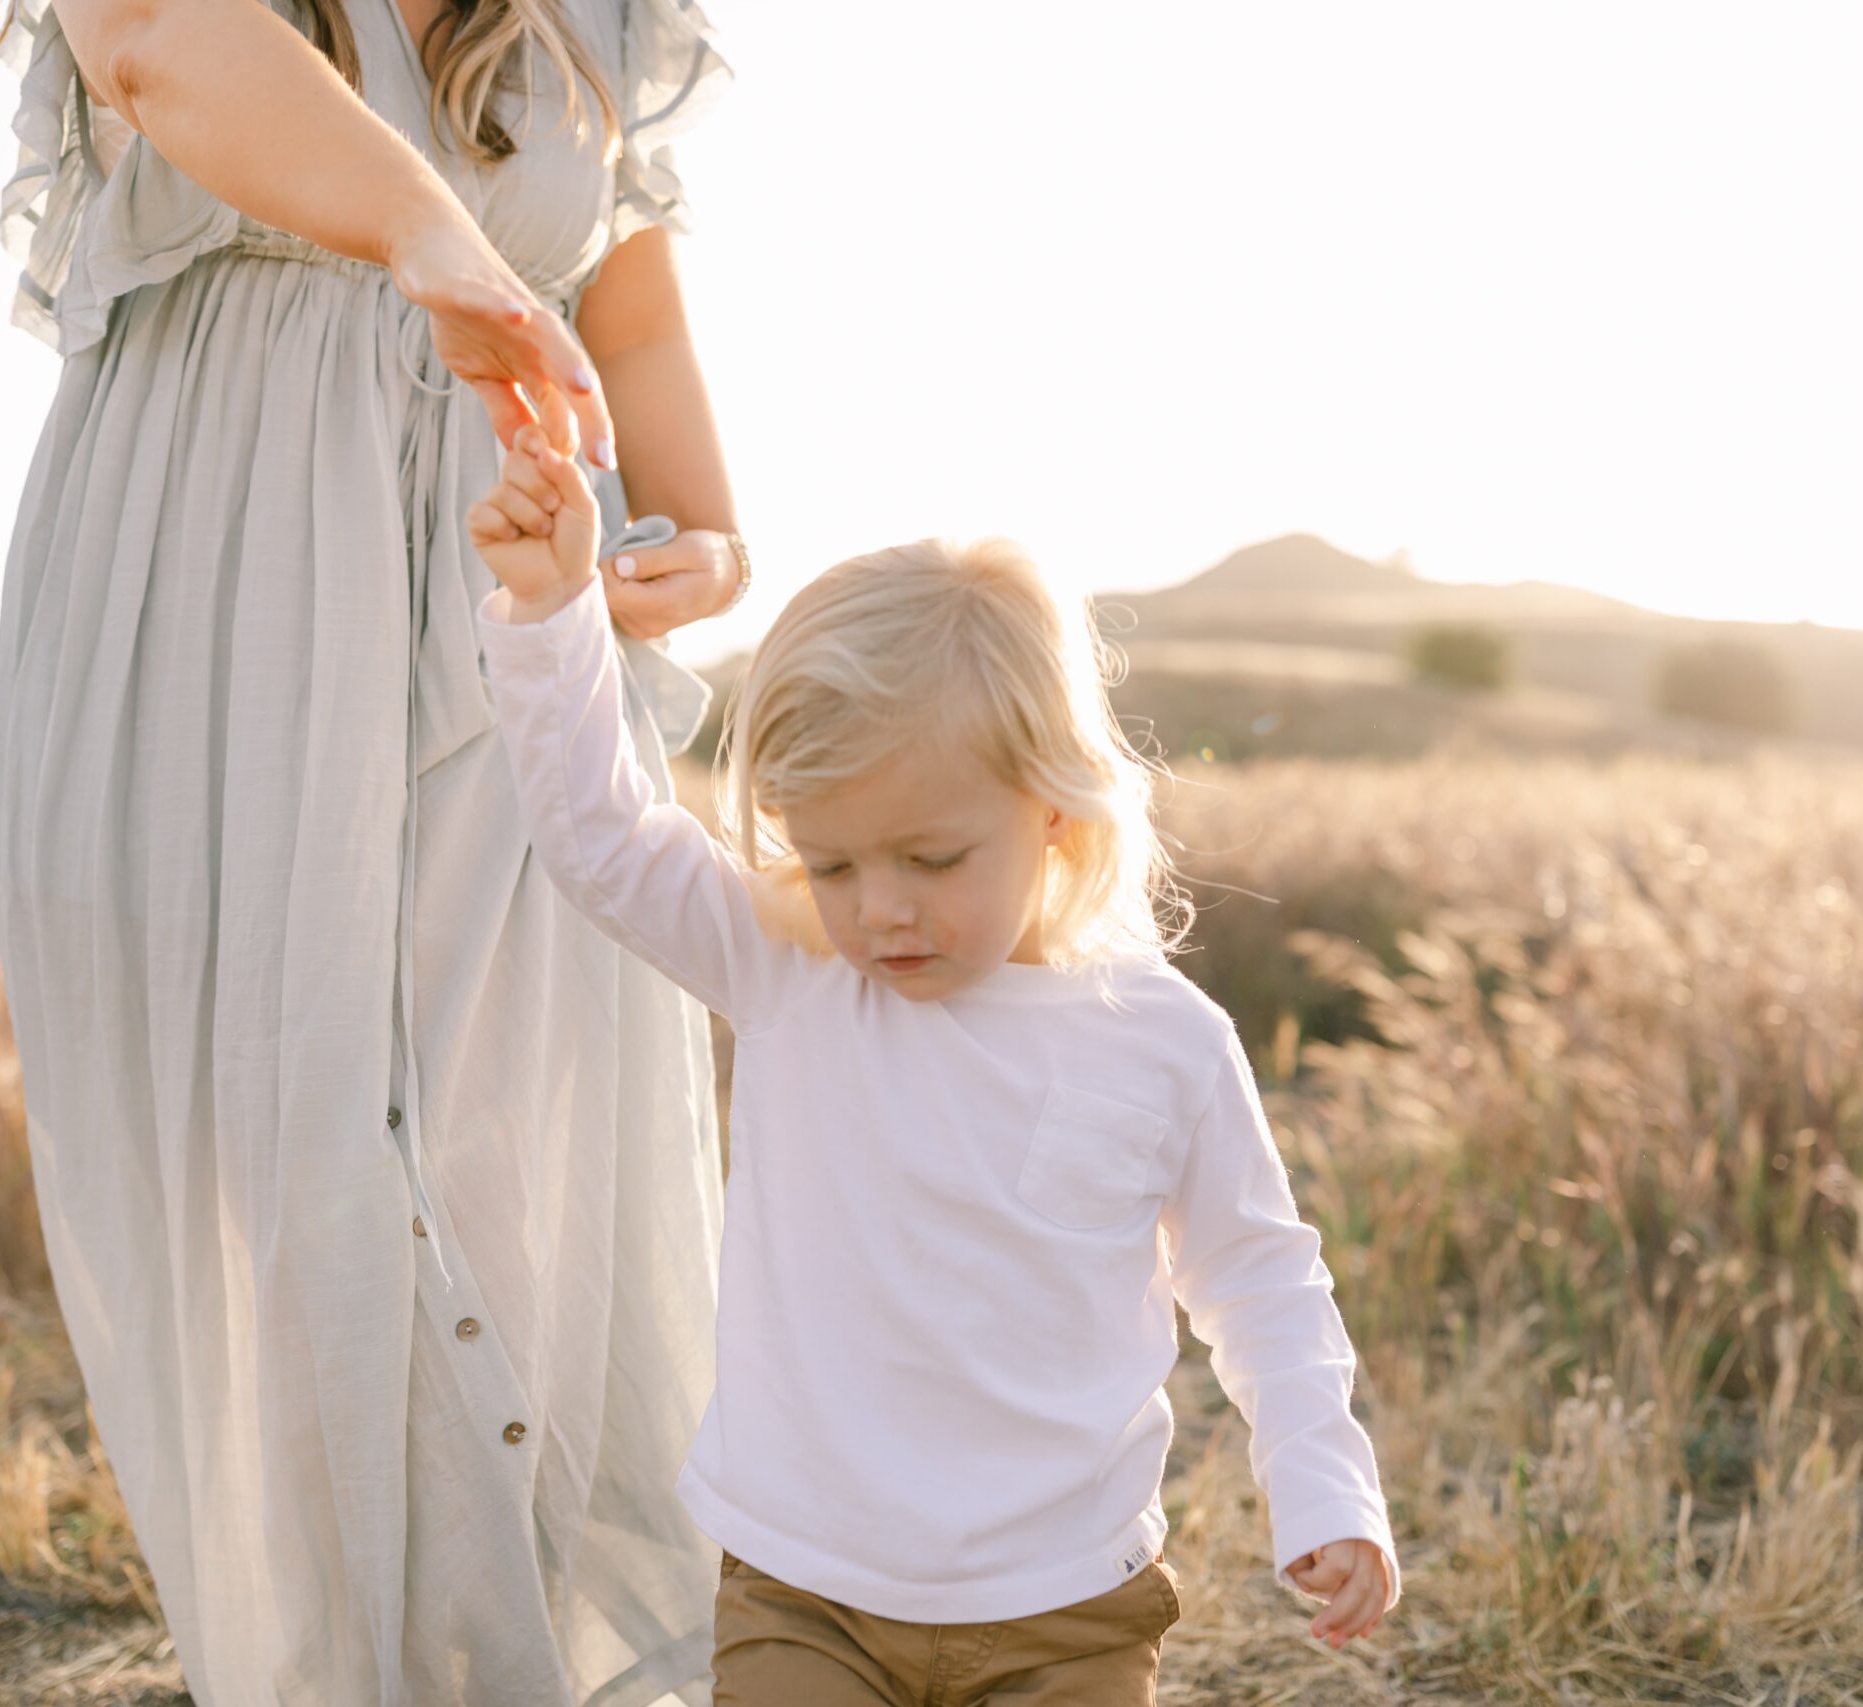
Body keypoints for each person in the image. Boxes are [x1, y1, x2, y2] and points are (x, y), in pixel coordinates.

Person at [0, 2, 740, 1699]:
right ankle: (340, 1660)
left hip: (514, 615)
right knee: (289, 1142)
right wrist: (432, 239)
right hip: (215, 584)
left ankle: (534, 1654)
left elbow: (630, 300)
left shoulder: (591, 17)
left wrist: (701, 531)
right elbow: (163, 46)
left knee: (517, 1145)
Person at [458, 417, 1402, 1704]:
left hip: (1064, 1608)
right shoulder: (791, 968)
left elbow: (1258, 1279)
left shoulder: (1164, 1042)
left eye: (931, 859)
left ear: (1055, 815)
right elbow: (604, 841)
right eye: (831, 862)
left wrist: (1321, 1482)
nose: (879, 910)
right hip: (805, 1592)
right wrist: (552, 608)